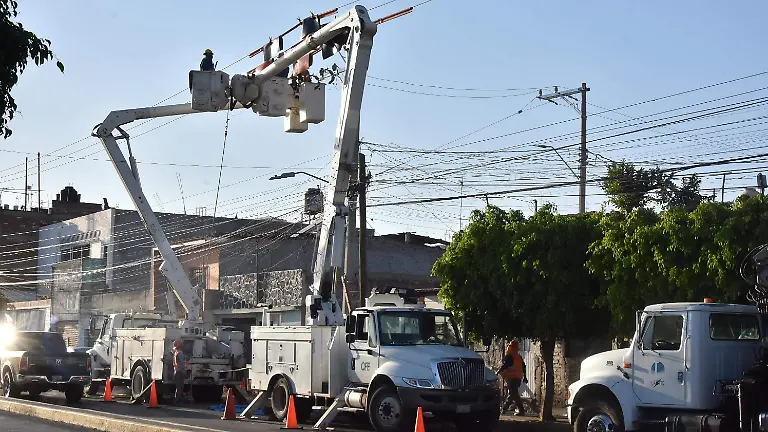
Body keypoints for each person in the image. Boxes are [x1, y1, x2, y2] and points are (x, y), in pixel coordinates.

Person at [497, 339, 527, 415]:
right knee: (513, 394)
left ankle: (518, 410)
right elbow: (524, 367)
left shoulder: (509, 356)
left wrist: (497, 372)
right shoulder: (518, 357)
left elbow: (504, 366)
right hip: (518, 378)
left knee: (513, 394)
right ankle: (505, 409)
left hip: (511, 378)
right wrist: (525, 377)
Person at [172, 339, 186, 404]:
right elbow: (182, 364)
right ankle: (177, 401)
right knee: (180, 387)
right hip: (180, 372)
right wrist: (184, 373)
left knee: (178, 387)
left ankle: (177, 399)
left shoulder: (176, 352)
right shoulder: (180, 353)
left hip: (177, 372)